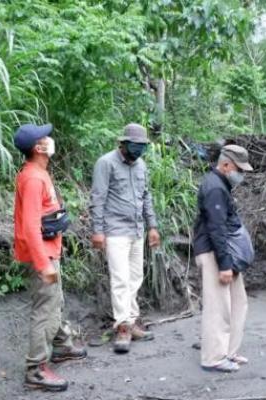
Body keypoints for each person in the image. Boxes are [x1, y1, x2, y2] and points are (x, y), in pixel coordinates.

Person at [13, 123, 87, 391]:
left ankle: (61, 346)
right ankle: (36, 369)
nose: (50, 139)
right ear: (38, 147)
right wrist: (43, 263)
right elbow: (30, 226)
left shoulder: (38, 173)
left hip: (47, 251)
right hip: (41, 256)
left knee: (55, 303)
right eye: (45, 137)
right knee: (45, 311)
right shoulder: (33, 178)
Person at [89, 123, 161, 354]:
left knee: (135, 277)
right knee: (120, 278)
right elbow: (98, 198)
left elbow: (146, 196)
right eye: (135, 145)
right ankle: (122, 326)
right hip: (115, 229)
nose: (139, 150)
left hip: (137, 230)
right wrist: (98, 231)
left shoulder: (141, 165)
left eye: (142, 146)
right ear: (122, 143)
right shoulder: (106, 163)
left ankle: (131, 321)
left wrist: (153, 226)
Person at [193, 144, 255, 373]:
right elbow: (216, 229)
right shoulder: (215, 188)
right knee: (218, 307)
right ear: (226, 164)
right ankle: (213, 357)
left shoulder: (221, 184)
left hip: (224, 252)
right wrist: (225, 265)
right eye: (239, 169)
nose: (241, 174)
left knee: (238, 302)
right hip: (214, 253)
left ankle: (230, 351)